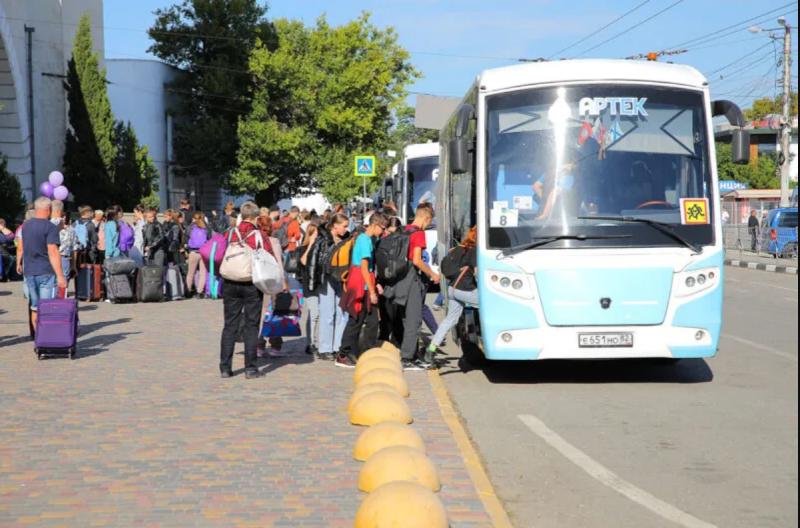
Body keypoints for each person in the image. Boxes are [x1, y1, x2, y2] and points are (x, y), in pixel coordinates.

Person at [219, 201, 266, 379]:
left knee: (230, 325)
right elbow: (267, 257)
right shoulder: (259, 235)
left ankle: (225, 367)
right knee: (251, 326)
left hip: (230, 281)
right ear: (256, 217)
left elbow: (220, 253)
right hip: (251, 282)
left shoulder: (230, 232)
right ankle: (251, 368)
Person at [336, 212, 387, 368]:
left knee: (371, 320)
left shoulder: (368, 240)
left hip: (365, 283)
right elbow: (364, 268)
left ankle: (367, 351)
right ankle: (343, 354)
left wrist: (375, 283)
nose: (383, 231)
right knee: (356, 320)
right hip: (361, 286)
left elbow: (369, 269)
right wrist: (371, 291)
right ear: (374, 225)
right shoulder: (364, 241)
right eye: (382, 228)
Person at [397, 203, 440, 370]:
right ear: (426, 218)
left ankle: (409, 353)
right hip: (413, 280)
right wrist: (432, 274)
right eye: (429, 222)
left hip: (402, 280)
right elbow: (417, 259)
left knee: (407, 318)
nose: (428, 225)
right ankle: (408, 358)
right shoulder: (419, 234)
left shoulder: (404, 230)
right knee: (414, 320)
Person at [426, 226, 478, 359]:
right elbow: (477, 274)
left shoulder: (457, 249)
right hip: (466, 290)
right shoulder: (473, 251)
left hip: (451, 290)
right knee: (493, 303)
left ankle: (431, 349)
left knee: (449, 320)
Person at [16, 197, 66, 332]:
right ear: (48, 209)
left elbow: (20, 247)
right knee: (47, 306)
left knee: (35, 307)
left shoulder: (25, 226)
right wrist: (61, 276)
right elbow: (53, 252)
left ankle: (38, 338)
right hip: (46, 271)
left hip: (30, 271)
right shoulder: (50, 227)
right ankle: (47, 338)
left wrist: (18, 263)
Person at [317, 213, 350, 361]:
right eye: (344, 226)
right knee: (327, 313)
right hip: (326, 278)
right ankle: (325, 348)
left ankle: (338, 346)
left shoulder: (346, 239)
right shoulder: (324, 239)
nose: (346, 229)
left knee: (342, 311)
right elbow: (320, 260)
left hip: (341, 278)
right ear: (335, 226)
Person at [300, 221, 322, 356]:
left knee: (317, 315)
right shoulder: (303, 249)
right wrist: (310, 246)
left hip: (319, 285)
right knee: (314, 315)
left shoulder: (320, 248)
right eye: (316, 235)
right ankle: (311, 343)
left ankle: (315, 342)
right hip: (309, 285)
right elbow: (303, 261)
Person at [185, 211, 212, 298]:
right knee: (203, 273)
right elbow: (209, 238)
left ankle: (188, 290)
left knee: (190, 273)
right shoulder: (207, 227)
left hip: (193, 252)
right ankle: (200, 292)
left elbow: (186, 236)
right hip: (203, 252)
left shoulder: (191, 227)